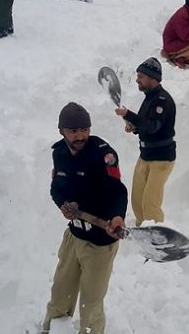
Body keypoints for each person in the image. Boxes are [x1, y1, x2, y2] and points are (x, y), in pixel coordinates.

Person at [42, 102, 127, 334]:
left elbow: (117, 190)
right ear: (62, 131)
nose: (80, 136)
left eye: (84, 129)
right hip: (74, 235)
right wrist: (63, 205)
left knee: (91, 303)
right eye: (73, 130)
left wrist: (117, 216)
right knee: (60, 292)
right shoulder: (59, 152)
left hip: (100, 242)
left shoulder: (103, 154)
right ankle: (53, 329)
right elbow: (56, 188)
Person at [115, 57, 176, 225]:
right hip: (145, 155)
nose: (137, 79)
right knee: (137, 201)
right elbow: (146, 125)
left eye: (141, 76)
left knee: (150, 204)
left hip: (161, 158)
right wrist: (135, 127)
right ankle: (143, 235)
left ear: (152, 78)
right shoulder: (150, 97)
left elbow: (152, 126)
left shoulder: (162, 100)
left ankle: (157, 239)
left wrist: (128, 115)